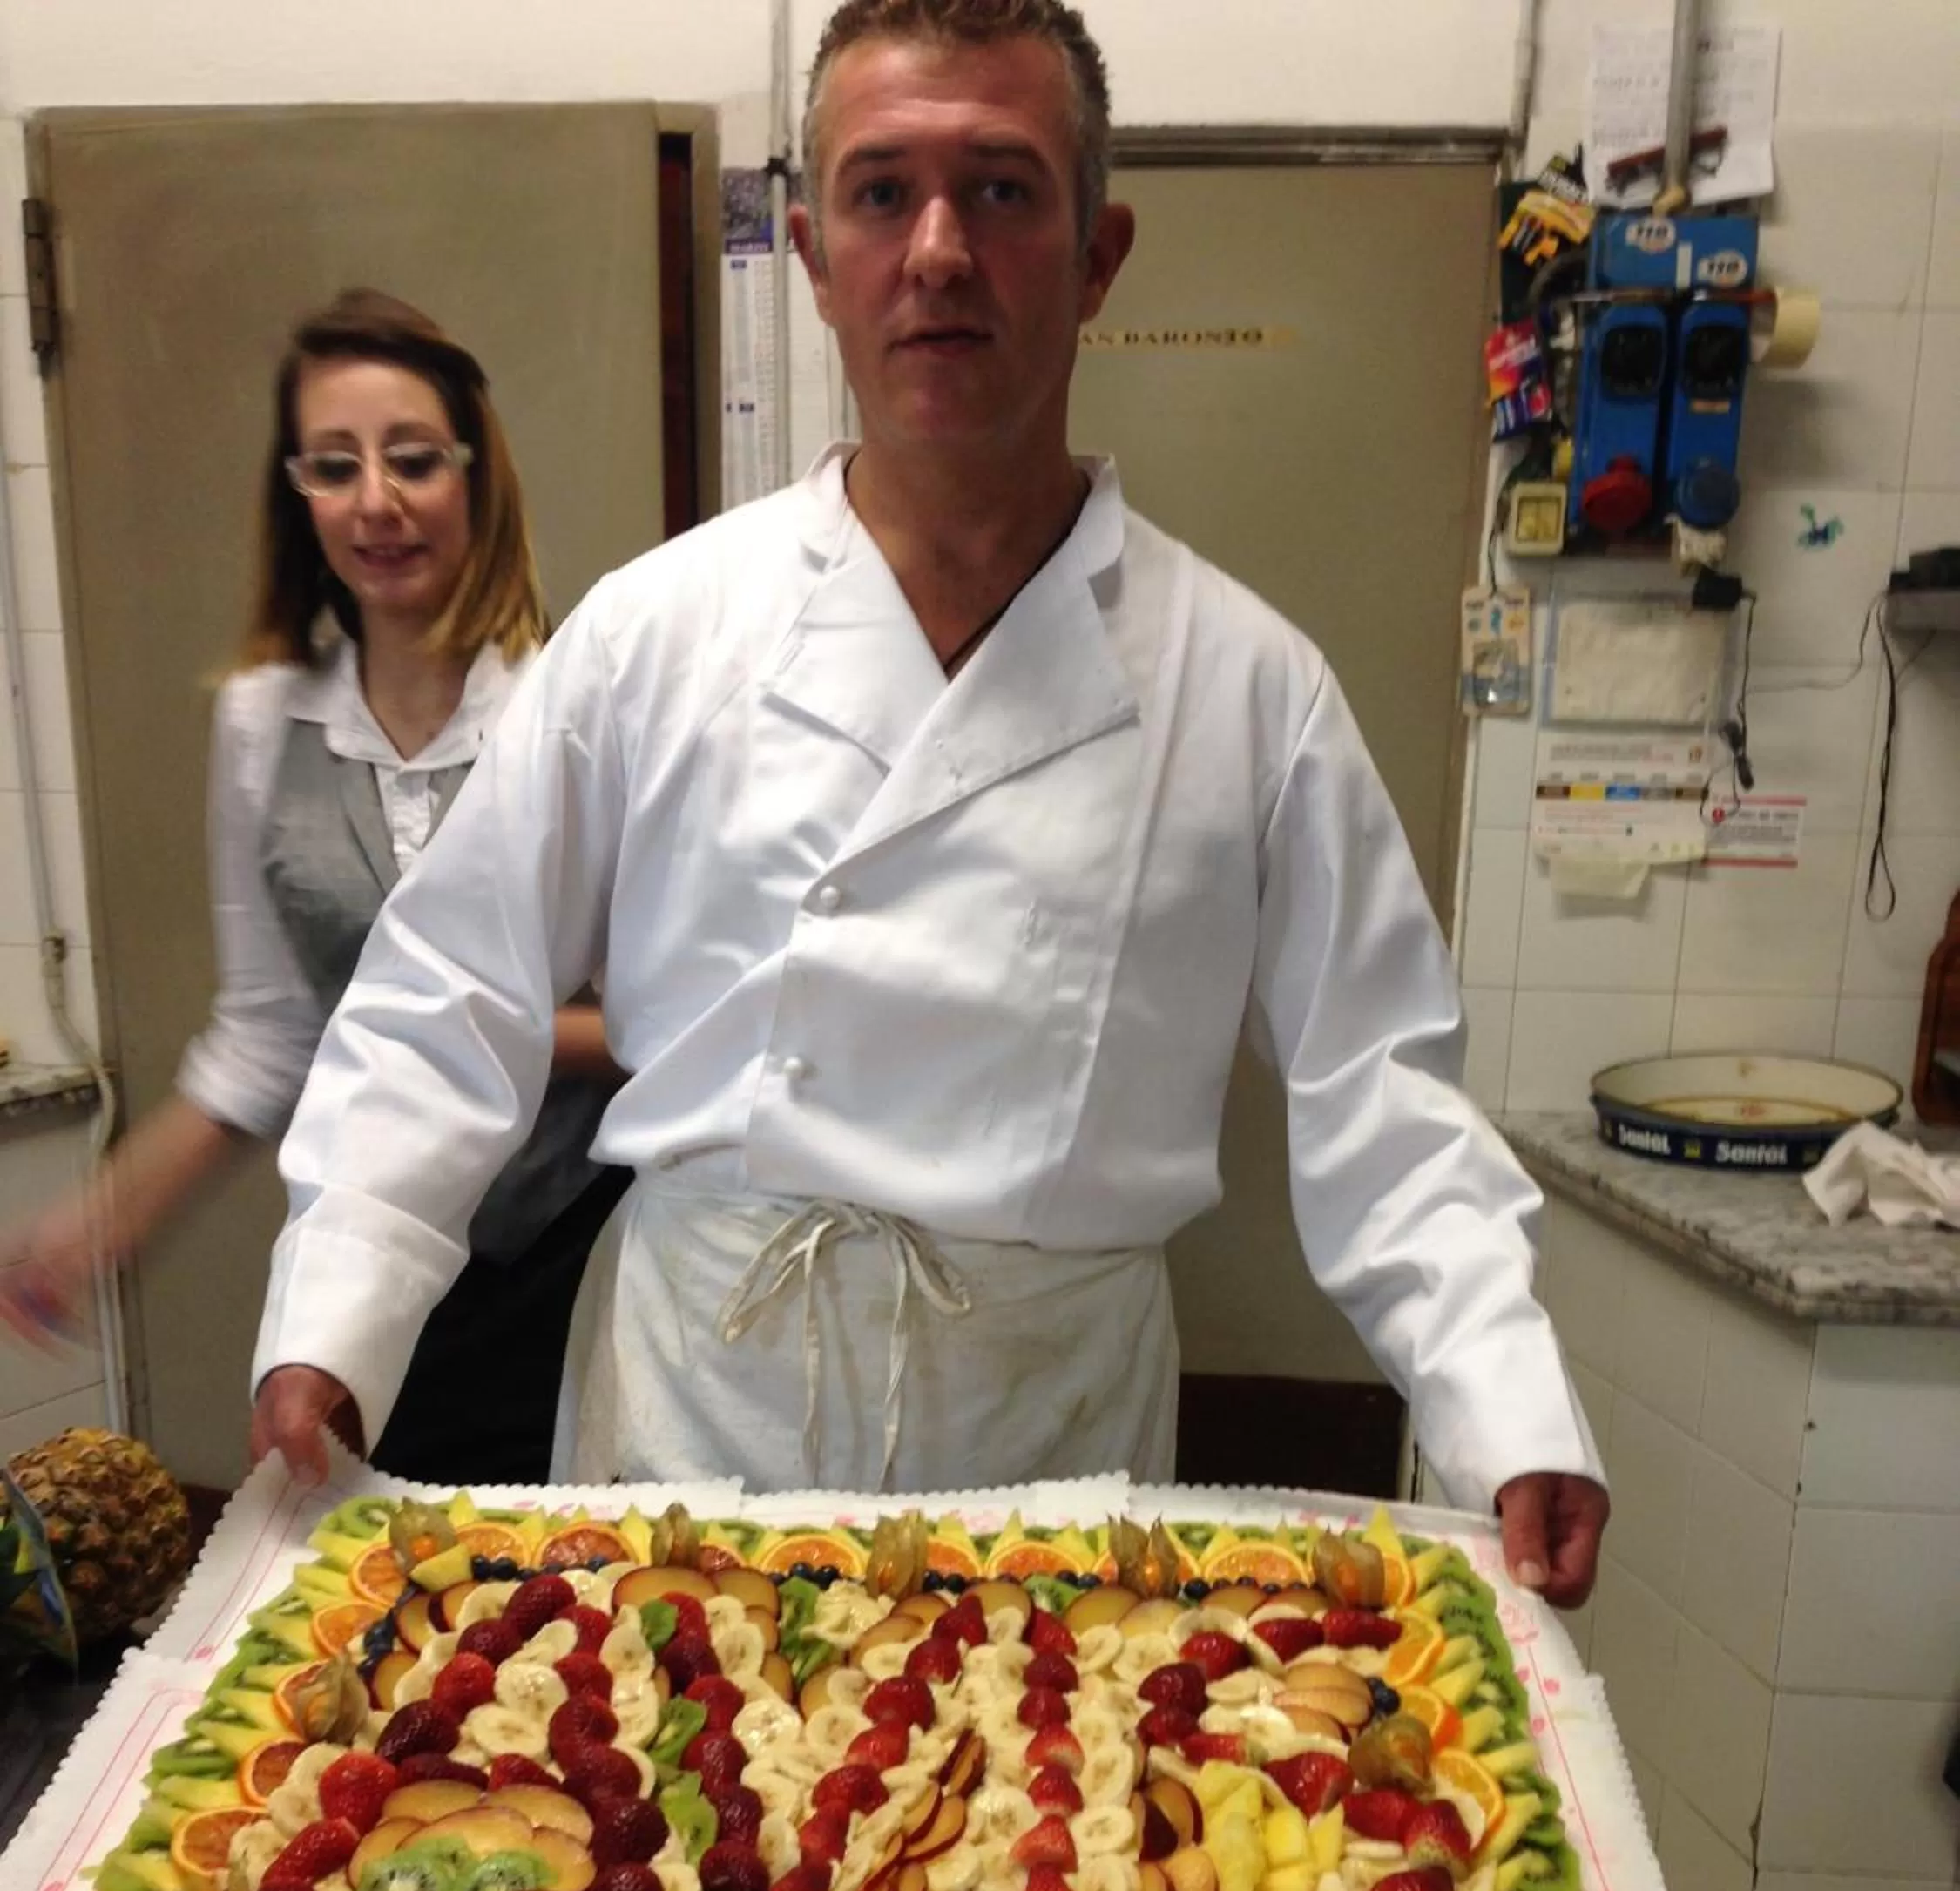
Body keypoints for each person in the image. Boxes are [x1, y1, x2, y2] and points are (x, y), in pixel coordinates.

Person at [249, 2, 1611, 1605]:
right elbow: (446, 993)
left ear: (1097, 255)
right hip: (697, 1403)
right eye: (883, 192)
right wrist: (339, 1311)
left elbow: (1377, 1091)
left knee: (1033, 1839)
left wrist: (1505, 1407)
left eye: (1004, 189)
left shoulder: (1244, 686)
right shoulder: (657, 632)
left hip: (1051, 1426)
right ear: (818, 256)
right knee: (675, 1826)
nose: (941, 249)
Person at [0, 288, 625, 1483]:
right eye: (335, 467)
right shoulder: (261, 721)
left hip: (573, 1255)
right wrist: (100, 1225)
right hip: (370, 1265)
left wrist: (458, 1031)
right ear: (298, 496)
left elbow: (663, 1024)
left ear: (475, 478)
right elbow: (268, 1038)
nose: (376, 502)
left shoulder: (570, 706)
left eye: (412, 460)